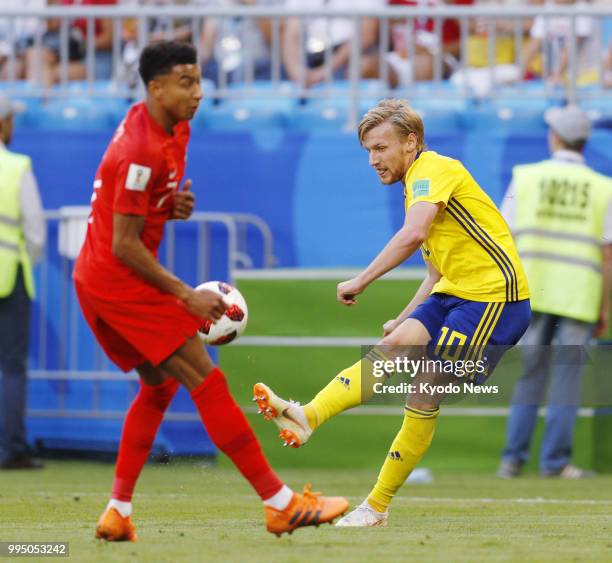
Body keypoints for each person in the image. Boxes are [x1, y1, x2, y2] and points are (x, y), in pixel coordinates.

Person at [72, 40, 348, 541]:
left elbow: (131, 207)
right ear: (155, 87)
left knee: (159, 386)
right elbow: (126, 245)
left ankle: (117, 512)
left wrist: (166, 204)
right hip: (117, 279)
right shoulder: (141, 148)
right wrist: (185, 295)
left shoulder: (171, 126)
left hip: (100, 277)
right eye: (186, 82)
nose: (198, 92)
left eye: (199, 80)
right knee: (207, 379)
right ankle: (279, 503)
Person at [253, 98, 531, 526]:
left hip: (495, 300)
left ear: (411, 143)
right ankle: (307, 416)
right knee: (392, 346)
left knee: (424, 388)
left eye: (381, 148)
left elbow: (413, 234)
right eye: (368, 150)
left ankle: (376, 508)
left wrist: (361, 280)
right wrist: (406, 317)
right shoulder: (416, 186)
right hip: (455, 294)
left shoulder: (433, 170)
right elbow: (437, 270)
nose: (373, 160)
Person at [497, 105, 612, 479]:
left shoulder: (526, 178)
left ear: (555, 137)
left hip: (530, 292)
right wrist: (604, 306)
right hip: (580, 294)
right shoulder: (602, 187)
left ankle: (512, 460)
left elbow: (504, 237)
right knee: (566, 382)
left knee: (530, 375)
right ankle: (555, 464)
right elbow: (607, 254)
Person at [0, 93, 46, 470]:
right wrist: (28, 259)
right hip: (10, 275)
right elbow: (35, 231)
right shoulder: (17, 166)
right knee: (12, 366)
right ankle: (11, 447)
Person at [282, 0, 384, 87]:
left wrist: (323, 72)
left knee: (358, 69)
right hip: (310, 57)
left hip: (349, 58)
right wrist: (295, 70)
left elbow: (367, 35)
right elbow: (291, 33)